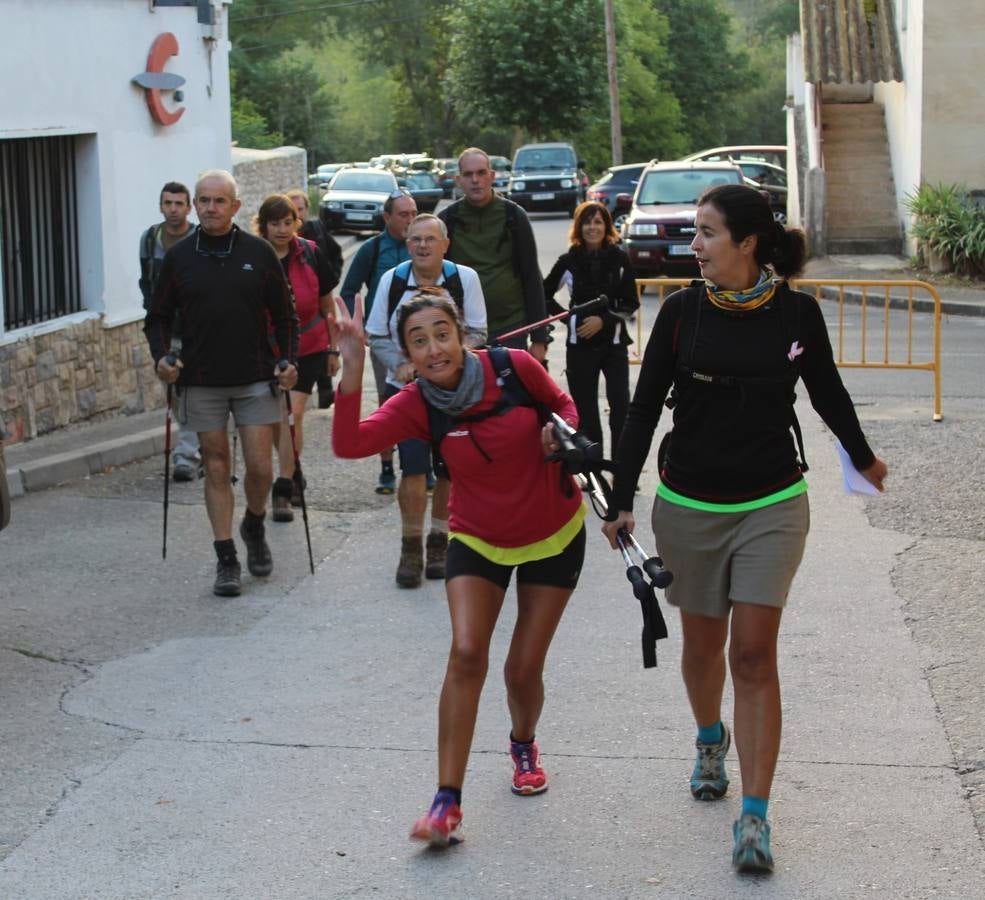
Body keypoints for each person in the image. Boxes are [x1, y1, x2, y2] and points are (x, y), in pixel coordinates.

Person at [602, 184, 888, 874]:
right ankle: (709, 738)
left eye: (704, 233)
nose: (692, 246)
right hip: (689, 506)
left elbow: (825, 392)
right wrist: (620, 497)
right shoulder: (678, 313)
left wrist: (862, 456)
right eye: (694, 233)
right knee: (702, 649)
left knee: (753, 655)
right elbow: (640, 412)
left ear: (746, 243)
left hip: (772, 503)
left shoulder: (795, 314)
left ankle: (753, 818)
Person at [331, 291, 586, 847]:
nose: (433, 348)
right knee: (467, 652)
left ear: (463, 335)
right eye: (418, 341)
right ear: (408, 355)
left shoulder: (514, 367)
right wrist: (352, 368)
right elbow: (350, 444)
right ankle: (447, 800)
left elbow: (565, 405)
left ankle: (523, 741)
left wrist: (559, 432)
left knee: (522, 669)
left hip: (553, 532)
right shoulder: (417, 403)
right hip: (477, 536)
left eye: (441, 333)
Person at [144, 170, 299, 598]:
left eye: (218, 201)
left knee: (261, 469)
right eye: (203, 201)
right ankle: (226, 557)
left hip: (254, 377)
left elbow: (285, 317)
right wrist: (162, 358)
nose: (210, 208)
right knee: (214, 464)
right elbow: (156, 318)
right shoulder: (180, 258)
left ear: (235, 206)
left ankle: (253, 522)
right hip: (200, 379)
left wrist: (288, 360)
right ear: (195, 205)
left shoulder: (260, 253)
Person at [365, 214, 487, 586]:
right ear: (407, 243)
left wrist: (445, 361)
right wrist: (402, 364)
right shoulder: (392, 280)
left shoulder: (464, 279)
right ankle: (410, 547)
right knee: (413, 468)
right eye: (415, 239)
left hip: (453, 391)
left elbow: (479, 333)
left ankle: (440, 541)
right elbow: (375, 333)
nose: (422, 246)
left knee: (449, 470)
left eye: (430, 239)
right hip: (407, 392)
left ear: (444, 244)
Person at [254, 193, 339, 523]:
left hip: (310, 344)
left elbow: (327, 304)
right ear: (264, 226)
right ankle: (295, 468)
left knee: (293, 411)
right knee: (278, 418)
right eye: (274, 223)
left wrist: (333, 348)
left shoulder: (311, 254)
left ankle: (283, 487)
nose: (281, 229)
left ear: (296, 223)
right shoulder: (254, 256)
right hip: (268, 348)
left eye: (288, 222)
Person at [543, 200, 639, 458]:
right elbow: (544, 294)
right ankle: (592, 466)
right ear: (579, 226)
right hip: (580, 348)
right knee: (585, 410)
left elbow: (631, 302)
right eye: (587, 222)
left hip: (614, 345)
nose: (592, 227)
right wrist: (568, 320)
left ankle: (621, 467)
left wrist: (604, 320)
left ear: (606, 226)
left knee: (621, 405)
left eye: (598, 222)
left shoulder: (620, 258)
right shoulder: (568, 260)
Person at [340, 190, 418, 494]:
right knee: (390, 402)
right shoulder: (372, 249)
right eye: (403, 215)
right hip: (383, 342)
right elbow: (349, 290)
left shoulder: (423, 246)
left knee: (426, 400)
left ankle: (421, 464)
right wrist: (358, 328)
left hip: (422, 341)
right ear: (386, 218)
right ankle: (386, 467)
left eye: (413, 213)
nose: (410, 221)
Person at [438, 147, 549, 360]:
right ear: (458, 180)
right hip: (463, 332)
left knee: (510, 393)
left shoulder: (514, 216)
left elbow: (532, 278)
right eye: (468, 175)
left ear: (492, 176)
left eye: (481, 173)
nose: (475, 180)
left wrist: (539, 338)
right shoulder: (446, 221)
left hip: (511, 327)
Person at [139, 181, 200, 482]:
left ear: (189, 207)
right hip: (164, 328)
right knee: (174, 388)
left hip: (197, 328)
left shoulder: (199, 239)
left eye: (179, 203)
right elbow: (145, 281)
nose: (173, 209)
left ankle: (189, 454)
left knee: (193, 387)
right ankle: (192, 448)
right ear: (161, 206)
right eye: (168, 203)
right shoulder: (150, 239)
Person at [286, 188, 343, 411]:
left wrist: (327, 281)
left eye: (301, 209)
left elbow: (336, 255)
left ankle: (325, 394)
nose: (298, 214)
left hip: (318, 303)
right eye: (294, 210)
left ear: (307, 210)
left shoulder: (316, 231)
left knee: (320, 338)